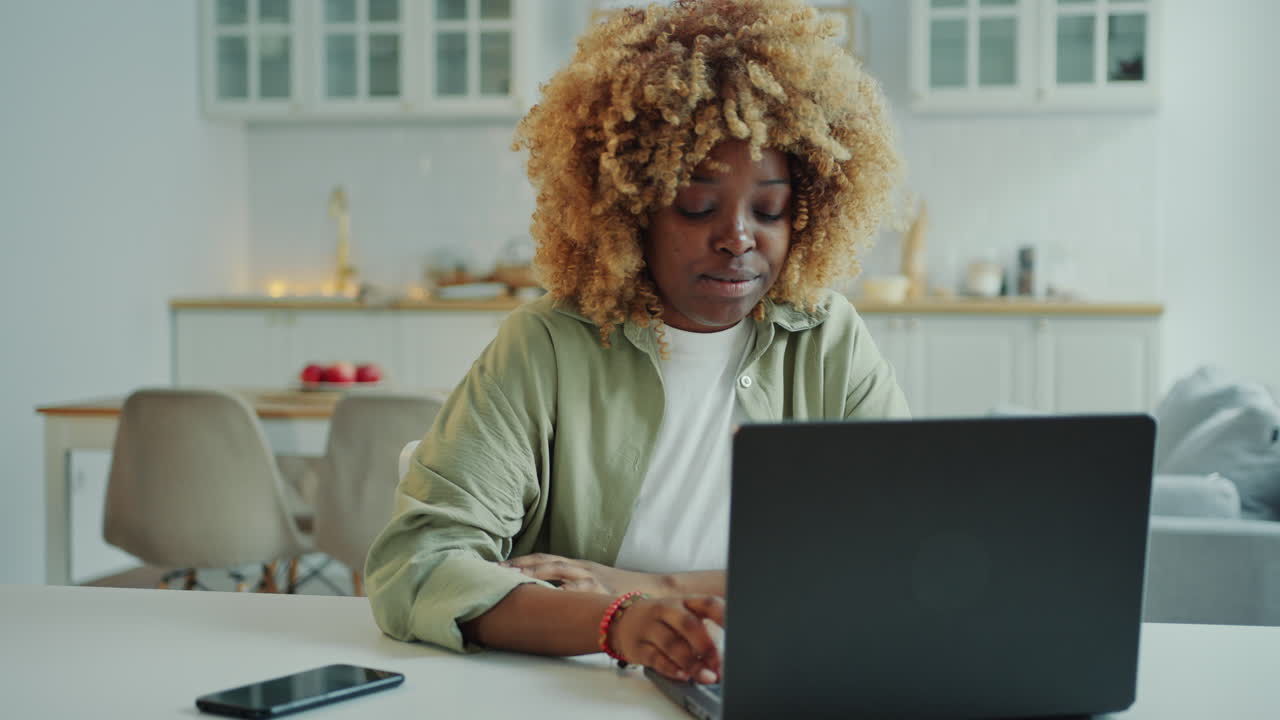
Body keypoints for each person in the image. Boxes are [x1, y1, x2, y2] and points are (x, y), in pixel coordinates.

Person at [364, 0, 908, 686]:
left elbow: (894, 557)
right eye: (696, 206)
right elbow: (416, 566)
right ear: (627, 209)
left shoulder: (828, 340)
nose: (738, 238)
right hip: (578, 689)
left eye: (768, 208)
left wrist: (655, 585)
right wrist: (616, 620)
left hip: (781, 679)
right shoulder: (545, 347)